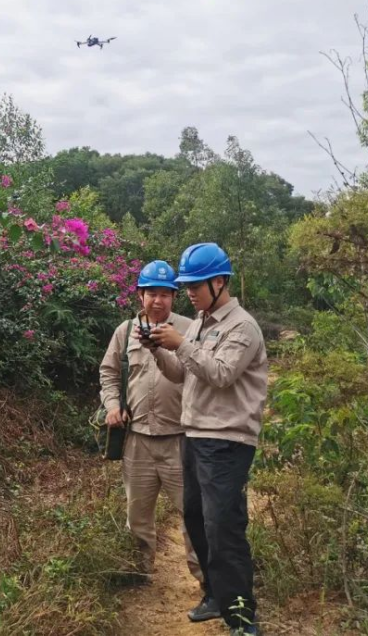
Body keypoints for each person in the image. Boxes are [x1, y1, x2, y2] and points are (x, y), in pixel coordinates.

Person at [144, 243, 268, 636]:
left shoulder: (241, 327)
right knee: (196, 518)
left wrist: (180, 343)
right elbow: (183, 374)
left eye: (196, 284)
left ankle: (241, 615)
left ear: (219, 282)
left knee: (223, 526)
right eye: (188, 285)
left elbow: (220, 374)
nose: (190, 292)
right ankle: (215, 594)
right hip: (195, 434)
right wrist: (160, 351)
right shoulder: (200, 322)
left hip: (227, 441)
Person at [98, 260, 202, 585]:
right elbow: (109, 373)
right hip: (137, 442)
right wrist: (113, 405)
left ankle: (207, 582)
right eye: (152, 294)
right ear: (140, 296)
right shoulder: (125, 332)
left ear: (174, 298)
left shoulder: (190, 329)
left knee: (195, 515)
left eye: (165, 294)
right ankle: (139, 572)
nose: (158, 301)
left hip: (180, 441)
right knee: (137, 516)